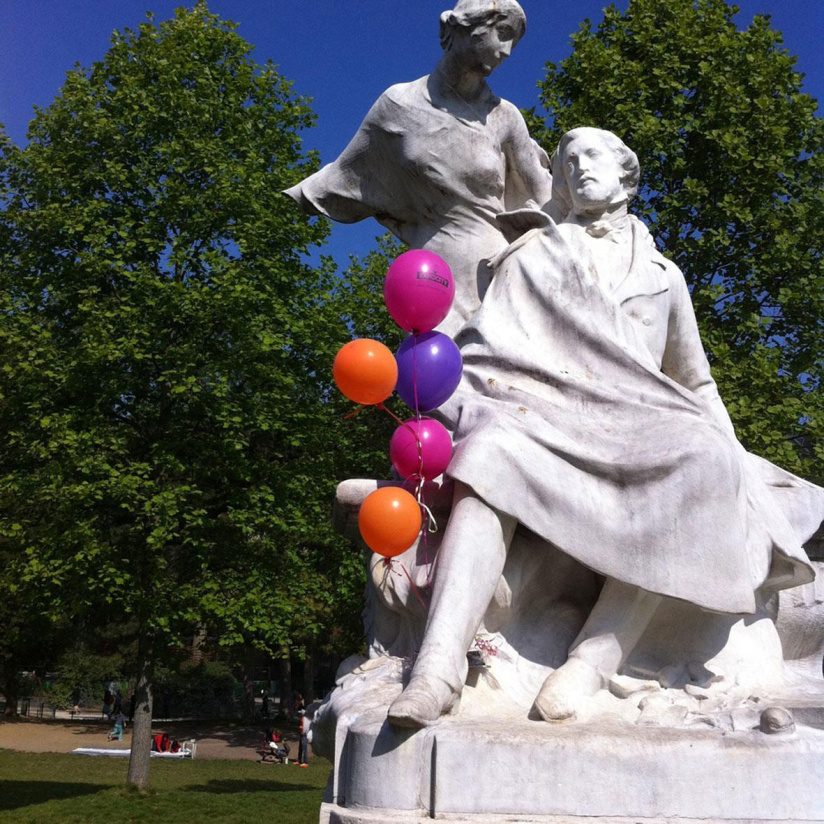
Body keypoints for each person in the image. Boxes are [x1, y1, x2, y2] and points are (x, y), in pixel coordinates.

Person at [387, 127, 822, 728]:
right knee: (488, 452)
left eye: (593, 156)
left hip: (643, 426)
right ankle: (436, 670)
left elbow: (694, 383)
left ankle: (592, 661)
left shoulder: (664, 276)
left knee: (707, 460)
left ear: (626, 173)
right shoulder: (533, 257)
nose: (579, 169)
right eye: (566, 163)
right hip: (548, 417)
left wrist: (734, 452)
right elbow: (491, 351)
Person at [285, 0, 555, 338]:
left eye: (513, 41)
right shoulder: (398, 105)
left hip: (496, 266)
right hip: (430, 274)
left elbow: (546, 198)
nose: (507, 51)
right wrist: (293, 198)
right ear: (464, 26)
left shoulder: (504, 117)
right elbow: (348, 171)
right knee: (438, 373)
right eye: (502, 34)